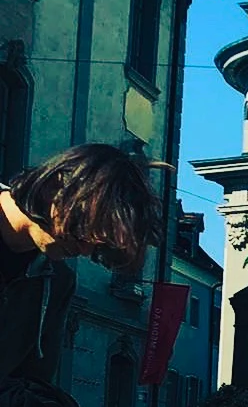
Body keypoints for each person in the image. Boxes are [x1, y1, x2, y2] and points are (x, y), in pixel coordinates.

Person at [0, 143, 160, 384]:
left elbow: (30, 390)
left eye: (99, 246)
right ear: (55, 187)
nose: (84, 250)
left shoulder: (57, 283)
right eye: (84, 229)